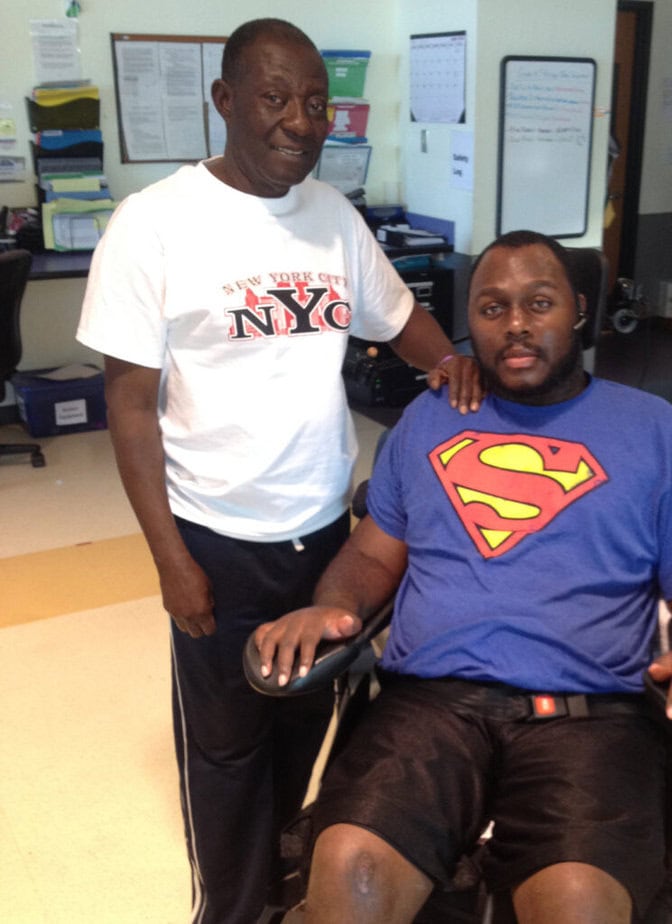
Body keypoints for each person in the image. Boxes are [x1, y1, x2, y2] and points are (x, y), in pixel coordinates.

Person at [76, 18, 480, 924]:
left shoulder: (332, 217)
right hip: (216, 542)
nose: (299, 121)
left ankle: (278, 885)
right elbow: (130, 408)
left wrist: (455, 367)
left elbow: (397, 316)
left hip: (327, 541)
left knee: (303, 726)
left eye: (314, 103)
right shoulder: (155, 225)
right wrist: (170, 560)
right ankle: (231, 909)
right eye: (273, 98)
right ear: (223, 102)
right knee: (224, 754)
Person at [253, 230, 672, 924]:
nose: (515, 324)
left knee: (578, 905)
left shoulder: (650, 429)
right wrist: (330, 607)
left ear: (576, 310)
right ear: (470, 325)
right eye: (492, 308)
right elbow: (371, 556)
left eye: (537, 303)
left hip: (589, 715)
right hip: (429, 704)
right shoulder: (432, 419)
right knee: (348, 871)